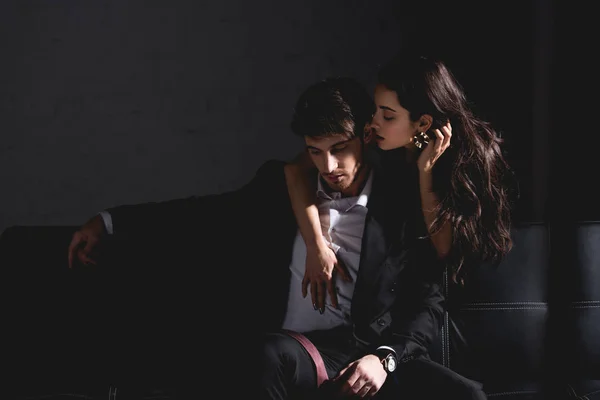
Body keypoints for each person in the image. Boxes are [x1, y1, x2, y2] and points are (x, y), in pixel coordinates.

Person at [68, 76, 485, 399]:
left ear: (366, 135)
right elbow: (200, 214)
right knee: (268, 357)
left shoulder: (399, 202)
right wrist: (108, 222)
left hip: (368, 351)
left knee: (467, 395)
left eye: (340, 147)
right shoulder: (279, 188)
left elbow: (428, 299)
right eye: (315, 150)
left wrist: (385, 360)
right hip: (297, 351)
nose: (329, 165)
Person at [284, 51, 515, 312]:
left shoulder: (456, 164)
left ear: (423, 123)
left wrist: (425, 171)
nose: (373, 123)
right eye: (375, 111)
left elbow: (443, 249)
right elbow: (296, 169)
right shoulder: (388, 145)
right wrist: (316, 245)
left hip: (455, 300)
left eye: (388, 116)